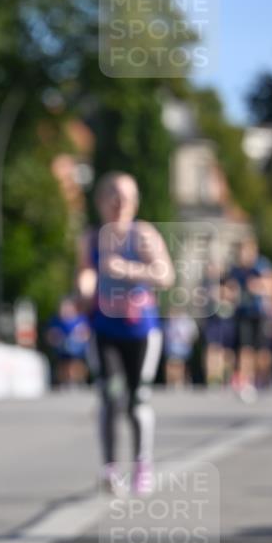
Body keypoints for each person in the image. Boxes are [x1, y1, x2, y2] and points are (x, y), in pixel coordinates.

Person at [77, 171, 174, 495]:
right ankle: (110, 468)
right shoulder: (91, 238)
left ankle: (142, 464)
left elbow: (165, 275)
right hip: (104, 328)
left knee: (137, 399)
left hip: (141, 331)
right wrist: (84, 289)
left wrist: (127, 270)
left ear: (135, 202)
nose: (120, 204)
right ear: (101, 202)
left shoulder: (142, 234)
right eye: (113, 197)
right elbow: (86, 275)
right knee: (109, 396)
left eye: (126, 197)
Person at [228, 237, 272, 400]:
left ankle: (263, 380)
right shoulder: (236, 269)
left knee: (262, 351)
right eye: (241, 252)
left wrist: (258, 285)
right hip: (243, 313)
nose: (243, 256)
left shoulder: (261, 265)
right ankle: (245, 382)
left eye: (246, 252)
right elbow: (229, 288)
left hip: (260, 313)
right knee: (245, 348)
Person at [45, 295, 90, 388]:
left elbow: (86, 333)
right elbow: (50, 335)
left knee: (76, 360)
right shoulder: (55, 321)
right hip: (61, 347)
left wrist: (78, 337)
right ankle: (65, 380)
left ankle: (77, 379)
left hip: (78, 348)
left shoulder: (81, 319)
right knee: (63, 362)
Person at [164, 308, 198, 388]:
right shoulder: (169, 321)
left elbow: (193, 334)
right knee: (171, 364)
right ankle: (170, 382)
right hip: (171, 347)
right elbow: (166, 334)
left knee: (179, 364)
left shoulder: (187, 320)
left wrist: (188, 342)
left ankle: (179, 381)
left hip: (183, 348)